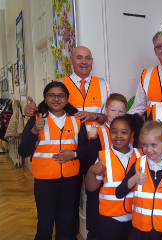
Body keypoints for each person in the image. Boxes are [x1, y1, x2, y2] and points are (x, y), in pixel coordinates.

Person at [24, 46, 111, 240]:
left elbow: (109, 116)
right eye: (79, 57)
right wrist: (30, 111)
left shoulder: (103, 84)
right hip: (69, 151)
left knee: (95, 192)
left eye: (88, 58)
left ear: (92, 61)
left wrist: (93, 115)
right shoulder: (60, 84)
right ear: (71, 61)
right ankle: (70, 233)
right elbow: (48, 107)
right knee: (68, 201)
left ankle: (94, 233)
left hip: (95, 148)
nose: (84, 62)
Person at [18, 82, 88, 240]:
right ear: (45, 98)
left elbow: (85, 148)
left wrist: (74, 154)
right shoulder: (36, 119)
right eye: (51, 95)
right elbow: (23, 151)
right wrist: (35, 130)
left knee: (65, 223)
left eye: (61, 95)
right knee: (45, 224)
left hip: (70, 180)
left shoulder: (76, 120)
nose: (56, 99)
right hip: (45, 182)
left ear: (67, 99)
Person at [115, 121, 162, 240]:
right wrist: (133, 180)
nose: (148, 149)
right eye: (144, 145)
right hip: (139, 231)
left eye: (154, 145)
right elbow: (119, 193)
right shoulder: (138, 164)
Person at [85, 114, 144, 240]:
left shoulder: (141, 155)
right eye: (114, 132)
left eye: (124, 132)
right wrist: (91, 171)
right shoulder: (103, 157)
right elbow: (91, 188)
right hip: (110, 217)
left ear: (132, 134)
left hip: (136, 215)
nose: (118, 136)